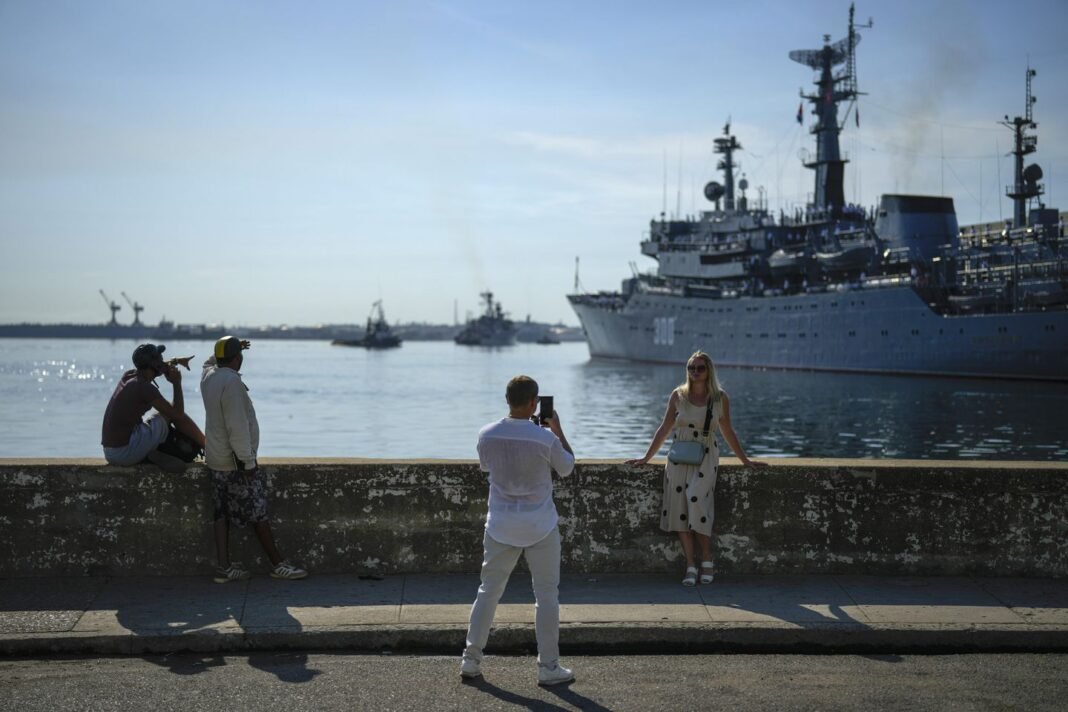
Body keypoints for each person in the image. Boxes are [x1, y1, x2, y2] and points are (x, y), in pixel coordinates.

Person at [460, 375, 576, 686]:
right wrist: (557, 430)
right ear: (533, 403)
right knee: (546, 596)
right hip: (540, 525)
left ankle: (471, 659)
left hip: (500, 524)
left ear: (508, 400)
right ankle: (548, 666)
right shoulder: (545, 438)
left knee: (488, 592)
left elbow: (486, 468)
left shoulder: (487, 435)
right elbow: (567, 467)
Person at [625, 351, 765, 586]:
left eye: (700, 368)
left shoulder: (719, 398)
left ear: (709, 370)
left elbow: (728, 430)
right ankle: (691, 564)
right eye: (691, 367)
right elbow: (664, 428)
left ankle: (707, 559)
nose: (695, 372)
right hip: (679, 456)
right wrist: (646, 457)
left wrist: (745, 460)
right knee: (680, 508)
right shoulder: (678, 396)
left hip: (706, 456)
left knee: (697, 499)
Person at [201, 335, 307, 583]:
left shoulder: (209, 377)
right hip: (235, 462)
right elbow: (237, 427)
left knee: (221, 513)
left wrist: (226, 348)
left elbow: (208, 362)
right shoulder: (232, 383)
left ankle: (224, 568)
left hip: (215, 459)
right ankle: (278, 564)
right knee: (258, 513)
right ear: (238, 358)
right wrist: (248, 463)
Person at [101, 343, 205, 473]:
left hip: (110, 452)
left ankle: (148, 453)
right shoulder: (144, 387)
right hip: (125, 452)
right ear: (155, 365)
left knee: (162, 414)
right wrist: (177, 383)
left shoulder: (129, 376)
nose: (163, 361)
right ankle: (208, 446)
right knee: (169, 414)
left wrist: (176, 361)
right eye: (160, 359)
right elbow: (178, 414)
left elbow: (153, 366)